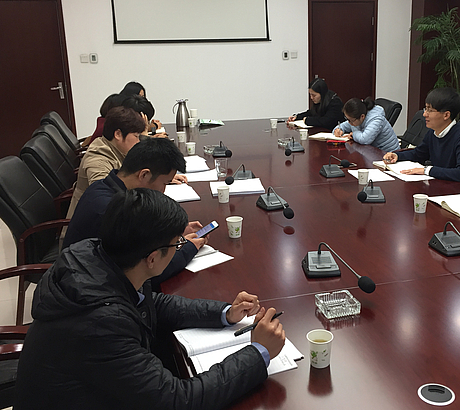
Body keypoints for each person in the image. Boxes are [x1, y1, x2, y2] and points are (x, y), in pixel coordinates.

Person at [15, 188, 285, 409]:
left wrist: (225, 313)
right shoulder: (101, 325)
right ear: (153, 258)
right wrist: (258, 352)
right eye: (177, 244)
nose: (180, 248)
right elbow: (177, 400)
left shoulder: (99, 255)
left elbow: (153, 302)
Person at [63, 137, 205, 288]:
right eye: (165, 183)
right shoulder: (115, 211)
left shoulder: (106, 185)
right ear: (144, 175)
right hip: (91, 290)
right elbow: (147, 273)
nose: (163, 191)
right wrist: (188, 248)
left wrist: (172, 234)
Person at [383, 87, 460, 186]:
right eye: (425, 109)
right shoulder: (433, 132)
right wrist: (397, 156)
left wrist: (427, 170)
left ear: (446, 115)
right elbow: (419, 154)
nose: (424, 114)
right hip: (443, 185)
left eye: (430, 110)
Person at [67, 106, 146, 219]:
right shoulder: (97, 158)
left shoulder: (117, 149)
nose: (138, 141)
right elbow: (104, 196)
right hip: (90, 224)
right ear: (118, 134)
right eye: (136, 136)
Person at [333, 97, 400, 152]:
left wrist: (353, 134)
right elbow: (343, 126)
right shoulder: (357, 117)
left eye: (351, 120)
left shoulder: (376, 119)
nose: (349, 123)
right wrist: (338, 130)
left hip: (389, 154)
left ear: (362, 117)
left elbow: (365, 140)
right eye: (347, 119)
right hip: (372, 152)